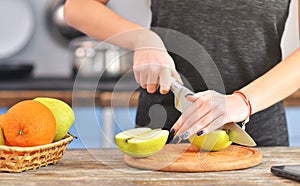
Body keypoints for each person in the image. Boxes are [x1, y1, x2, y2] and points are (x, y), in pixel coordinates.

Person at [64, 0, 300, 146]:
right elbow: (78, 7)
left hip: (259, 130)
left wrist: (242, 102)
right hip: (164, 129)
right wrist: (143, 39)